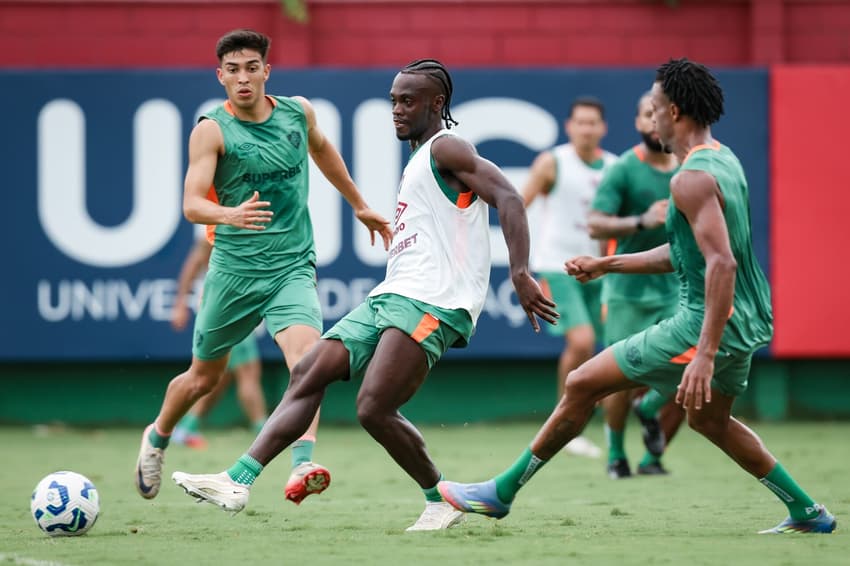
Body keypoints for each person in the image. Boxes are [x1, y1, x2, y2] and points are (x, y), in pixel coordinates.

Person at [438, 58, 837, 535]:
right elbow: (686, 252)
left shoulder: (688, 179)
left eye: (654, 109)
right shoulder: (724, 160)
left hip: (705, 323)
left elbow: (722, 264)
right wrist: (607, 264)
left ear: (675, 112)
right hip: (747, 319)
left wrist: (705, 353)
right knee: (710, 422)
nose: (651, 119)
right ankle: (807, 512)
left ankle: (500, 493)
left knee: (582, 383)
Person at [171, 58, 559, 532]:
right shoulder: (420, 158)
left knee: (373, 408)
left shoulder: (448, 147)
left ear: (436, 104)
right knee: (309, 371)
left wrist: (519, 273)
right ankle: (238, 481)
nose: (397, 109)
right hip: (393, 294)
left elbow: (510, 198)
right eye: (393, 100)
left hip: (435, 302)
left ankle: (440, 498)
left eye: (408, 101)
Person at [134, 28, 393, 506]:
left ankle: (303, 464)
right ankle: (158, 435)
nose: (243, 78)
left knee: (309, 364)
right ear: (220, 76)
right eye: (233, 70)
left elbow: (322, 150)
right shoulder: (211, 130)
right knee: (203, 378)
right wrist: (227, 214)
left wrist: (359, 204)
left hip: (292, 266)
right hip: (233, 272)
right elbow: (191, 204)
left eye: (251, 68)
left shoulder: (298, 112)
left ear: (266, 71)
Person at [587, 92, 683, 478]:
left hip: (676, 289)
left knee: (689, 364)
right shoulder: (623, 169)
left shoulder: (689, 167)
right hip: (626, 292)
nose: (655, 122)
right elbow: (595, 223)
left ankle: (649, 418)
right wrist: (641, 221)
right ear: (638, 122)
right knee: (620, 378)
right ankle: (616, 455)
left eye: (662, 114)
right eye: (648, 115)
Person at [522, 96, 618, 458]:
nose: (586, 129)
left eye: (592, 123)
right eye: (580, 122)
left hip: (599, 269)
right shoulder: (552, 162)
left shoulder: (615, 167)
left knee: (607, 348)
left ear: (602, 128)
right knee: (582, 342)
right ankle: (564, 425)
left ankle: (606, 424)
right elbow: (518, 204)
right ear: (569, 127)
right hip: (557, 266)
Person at [169, 235, 268, 449]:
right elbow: (194, 264)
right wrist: (180, 305)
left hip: (235, 304)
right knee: (247, 371)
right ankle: (264, 432)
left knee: (217, 375)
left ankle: (186, 427)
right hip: (227, 307)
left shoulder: (250, 225)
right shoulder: (219, 225)